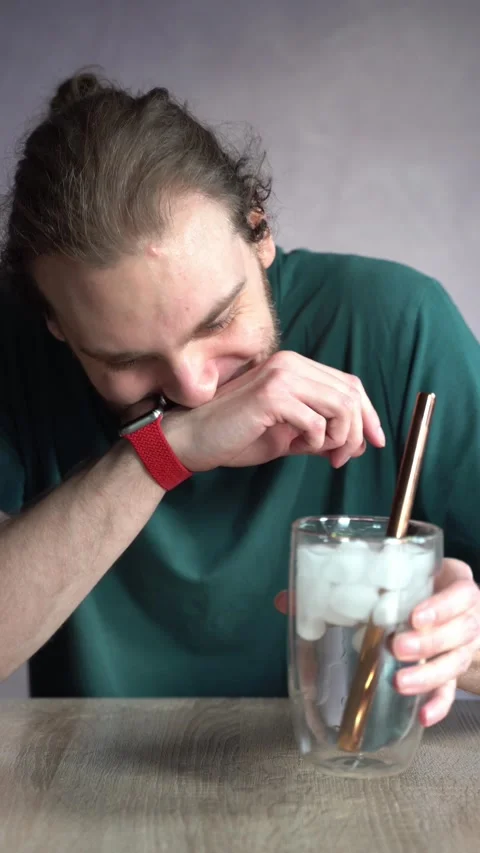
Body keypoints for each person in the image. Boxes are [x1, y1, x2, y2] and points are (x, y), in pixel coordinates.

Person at [0, 72, 479, 726]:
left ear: (258, 231)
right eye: (126, 360)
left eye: (218, 321)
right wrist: (161, 454)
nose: (195, 387)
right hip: (93, 795)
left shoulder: (399, 325)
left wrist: (461, 643)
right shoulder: (15, 351)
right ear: (55, 323)